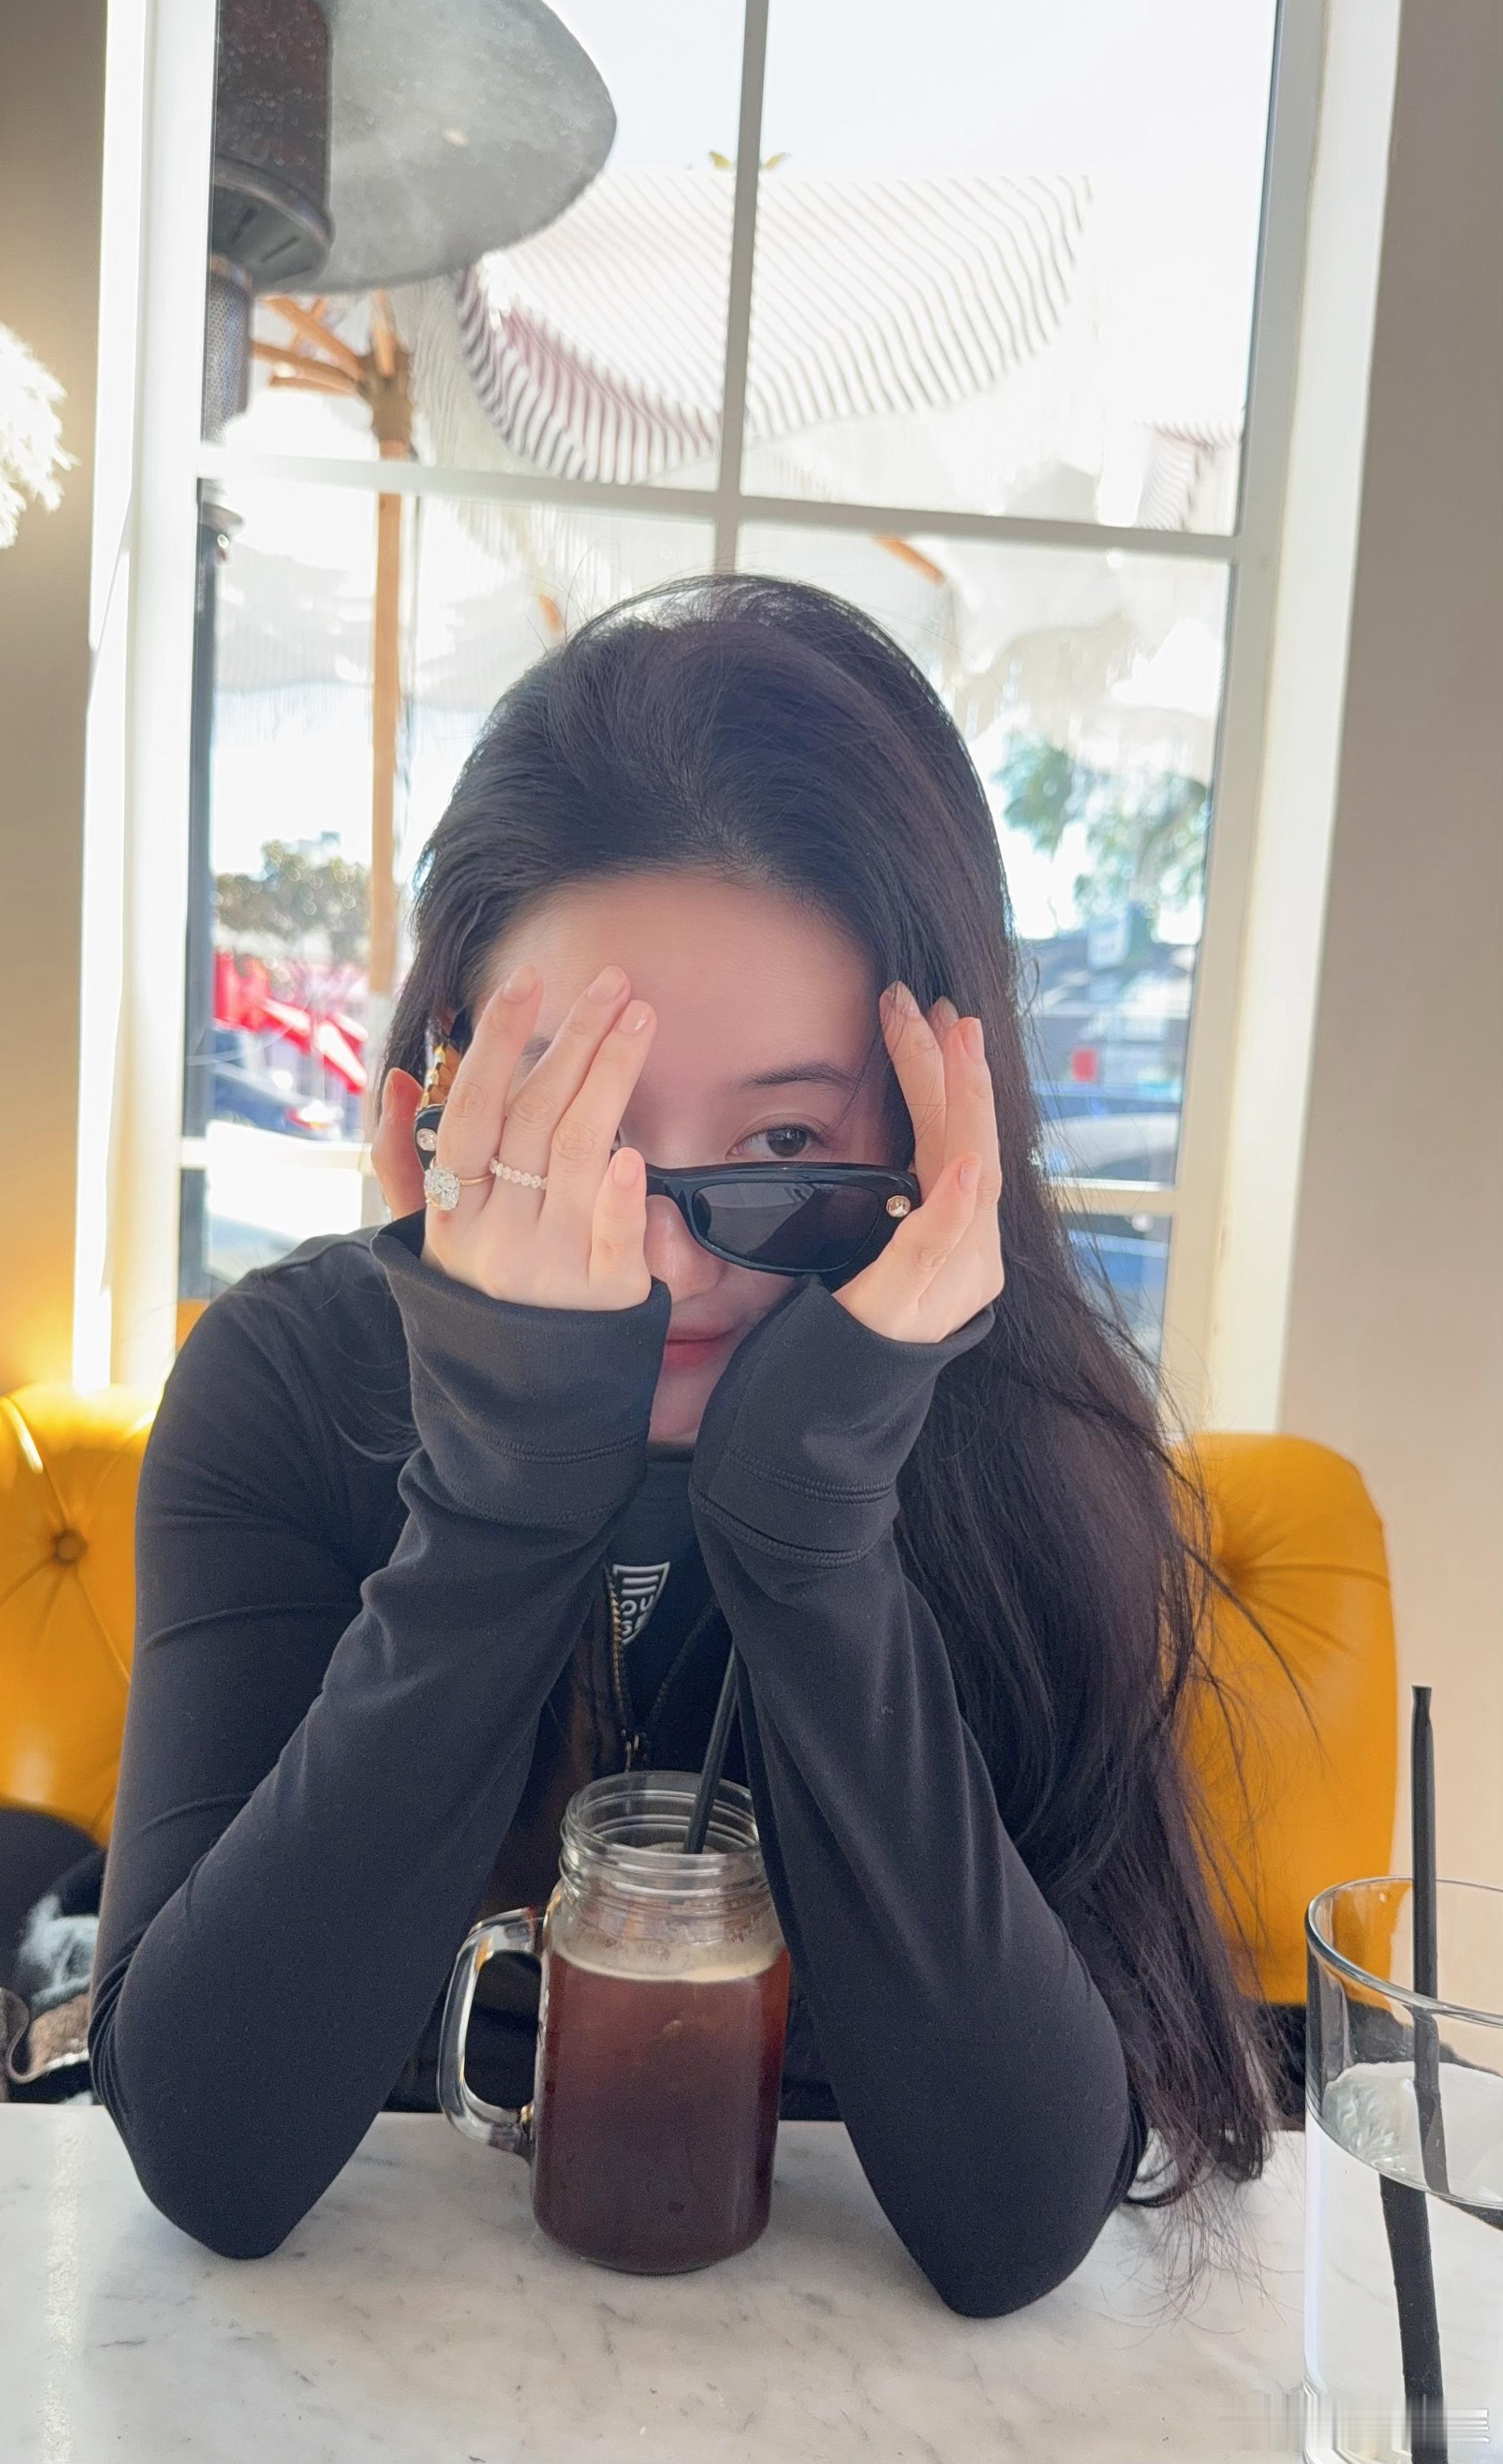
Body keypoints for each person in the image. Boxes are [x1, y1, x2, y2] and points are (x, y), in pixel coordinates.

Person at [87, 574, 1271, 2312]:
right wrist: (503, 1487)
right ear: (446, 1095)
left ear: (936, 1145)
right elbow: (210, 2147)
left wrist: (814, 1529)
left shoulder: (1009, 1417)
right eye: (580, 1131)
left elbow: (1018, 2221)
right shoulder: (290, 1380)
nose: (670, 1258)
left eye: (785, 1143)